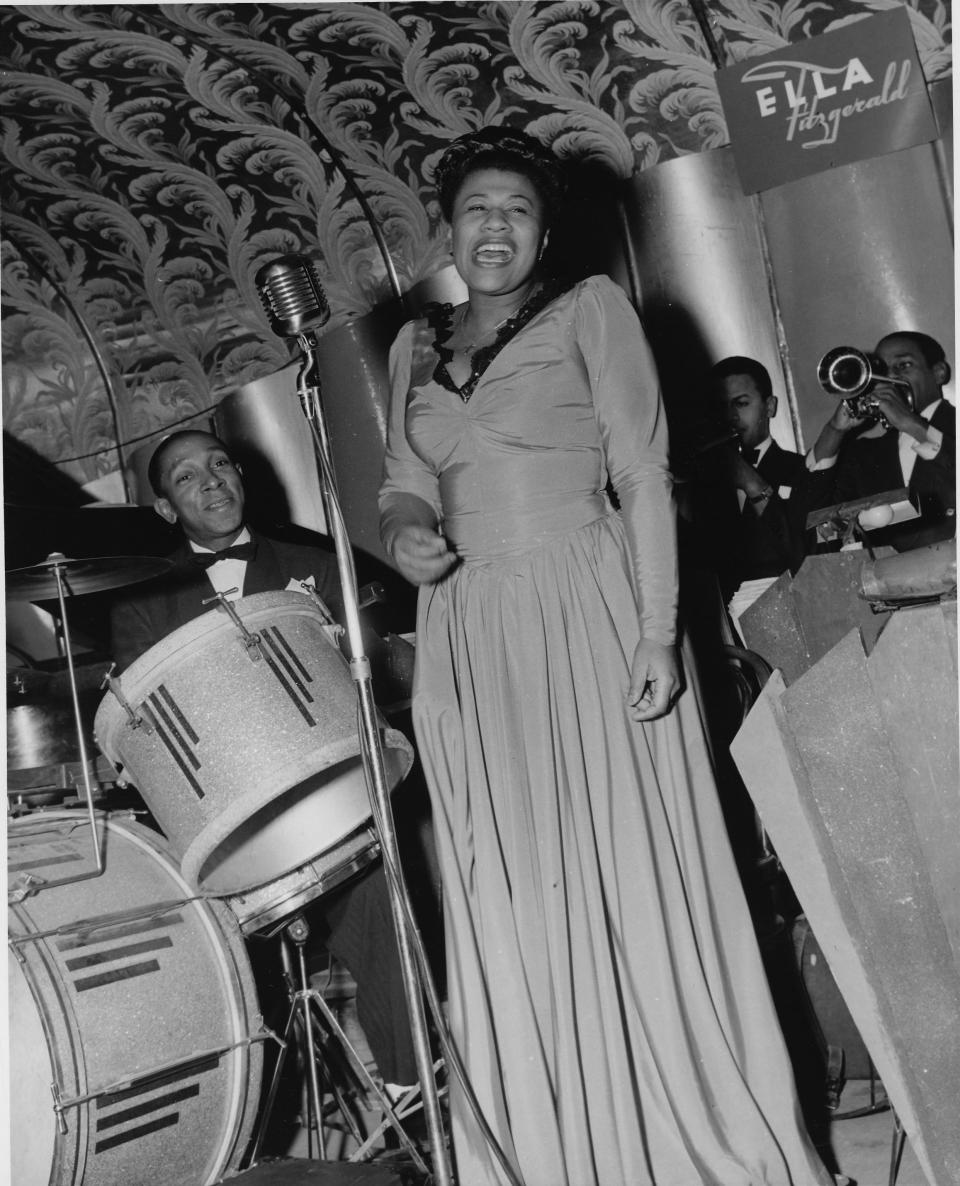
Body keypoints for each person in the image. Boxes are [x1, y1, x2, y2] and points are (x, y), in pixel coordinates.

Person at [378, 125, 832, 1186]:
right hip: (469, 628)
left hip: (587, 601)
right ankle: (555, 1143)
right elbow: (402, 479)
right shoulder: (410, 347)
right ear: (447, 226)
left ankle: (681, 1132)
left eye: (517, 210)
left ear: (544, 233)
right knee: (506, 879)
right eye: (477, 207)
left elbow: (641, 470)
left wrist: (656, 629)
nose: (495, 225)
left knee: (625, 859)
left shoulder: (593, 311)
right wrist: (401, 527)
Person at [110, 429, 417, 1091]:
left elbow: (373, 667)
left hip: (331, 804)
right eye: (187, 477)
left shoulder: (317, 561)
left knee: (387, 907)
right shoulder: (139, 598)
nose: (211, 481)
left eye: (220, 464)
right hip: (224, 824)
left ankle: (407, 1089)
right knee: (216, 976)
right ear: (166, 507)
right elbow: (150, 734)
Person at [683, 356, 816, 623]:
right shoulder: (701, 481)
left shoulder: (802, 470)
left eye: (741, 404)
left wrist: (750, 481)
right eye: (720, 407)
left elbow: (802, 553)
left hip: (790, 617)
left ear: (770, 406)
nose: (730, 417)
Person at [808, 331, 956, 551]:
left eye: (904, 365)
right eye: (881, 371)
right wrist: (834, 430)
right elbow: (815, 523)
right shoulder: (865, 453)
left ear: (939, 373)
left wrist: (911, 424)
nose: (890, 379)